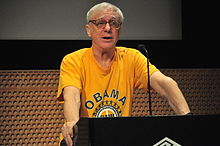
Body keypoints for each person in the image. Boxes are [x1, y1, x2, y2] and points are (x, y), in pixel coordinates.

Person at [57, 2, 191, 146]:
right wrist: (72, 123)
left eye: (114, 23)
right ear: (88, 30)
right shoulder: (73, 60)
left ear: (120, 29)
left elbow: (166, 84)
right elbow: (72, 96)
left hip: (119, 137)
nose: (108, 28)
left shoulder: (132, 58)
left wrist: (189, 122)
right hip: (84, 139)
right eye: (100, 23)